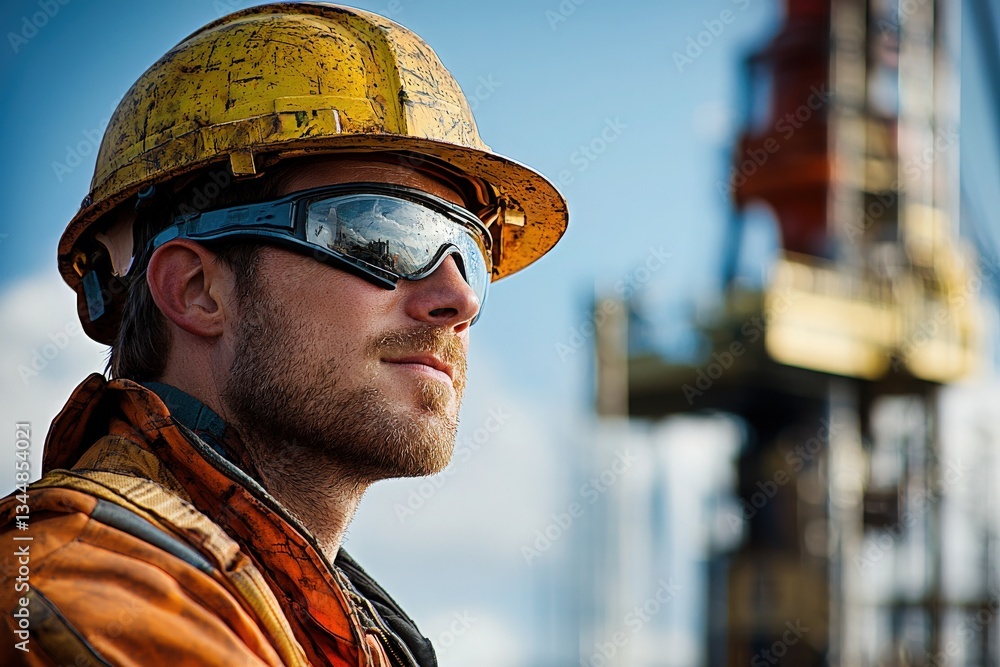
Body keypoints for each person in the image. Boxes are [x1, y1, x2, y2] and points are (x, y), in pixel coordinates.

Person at [0, 4, 567, 666]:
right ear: (195, 289)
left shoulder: (328, 629)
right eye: (382, 235)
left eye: (467, 250)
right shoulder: (89, 602)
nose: (460, 298)